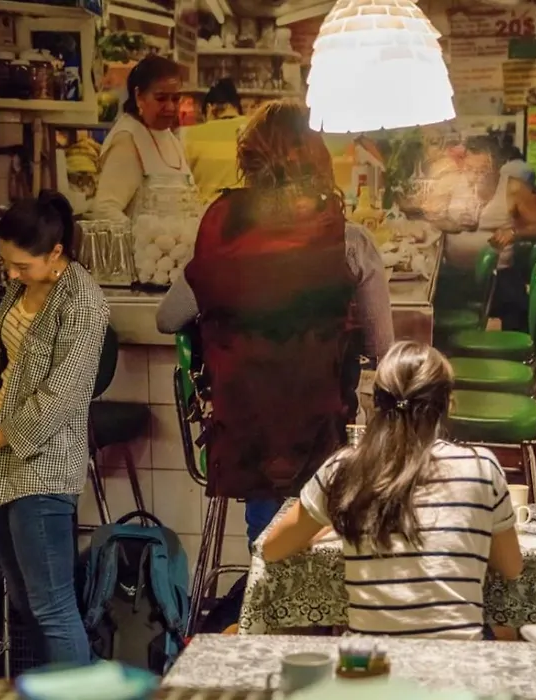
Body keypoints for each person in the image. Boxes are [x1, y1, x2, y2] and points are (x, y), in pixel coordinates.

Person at [155, 100, 394, 545]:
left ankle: (264, 565)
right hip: (326, 435)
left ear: (248, 164)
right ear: (318, 161)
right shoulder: (349, 242)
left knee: (266, 529)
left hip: (245, 437)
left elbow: (167, 318)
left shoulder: (222, 235)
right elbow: (383, 350)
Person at [0, 190, 109, 667]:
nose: (11, 275)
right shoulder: (25, 286)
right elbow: (5, 337)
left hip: (44, 466)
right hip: (6, 463)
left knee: (52, 607)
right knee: (24, 600)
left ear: (56, 253)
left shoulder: (83, 304)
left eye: (21, 266)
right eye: (5, 264)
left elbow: (61, 397)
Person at [262, 341, 523, 639]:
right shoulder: (481, 467)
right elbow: (512, 567)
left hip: (373, 664)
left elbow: (272, 549)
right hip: (456, 664)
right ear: (448, 403)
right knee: (506, 635)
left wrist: (329, 524)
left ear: (376, 403)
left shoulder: (344, 468)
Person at [430, 136, 536, 331]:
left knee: (516, 308)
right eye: (470, 169)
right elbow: (433, 215)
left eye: (482, 171)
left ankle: (510, 346)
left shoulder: (513, 188)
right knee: (431, 305)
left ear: (498, 167)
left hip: (498, 274)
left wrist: (514, 231)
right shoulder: (451, 184)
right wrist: (448, 223)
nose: (475, 176)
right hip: (455, 272)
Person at [93, 55, 196, 223]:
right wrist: (143, 235)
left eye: (176, 99)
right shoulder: (128, 139)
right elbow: (105, 209)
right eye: (161, 98)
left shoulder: (170, 137)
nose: (170, 107)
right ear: (139, 96)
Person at [181, 78, 250, 204]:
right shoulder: (255, 128)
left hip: (208, 211)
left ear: (209, 108)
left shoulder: (191, 135)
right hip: (250, 210)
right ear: (237, 107)